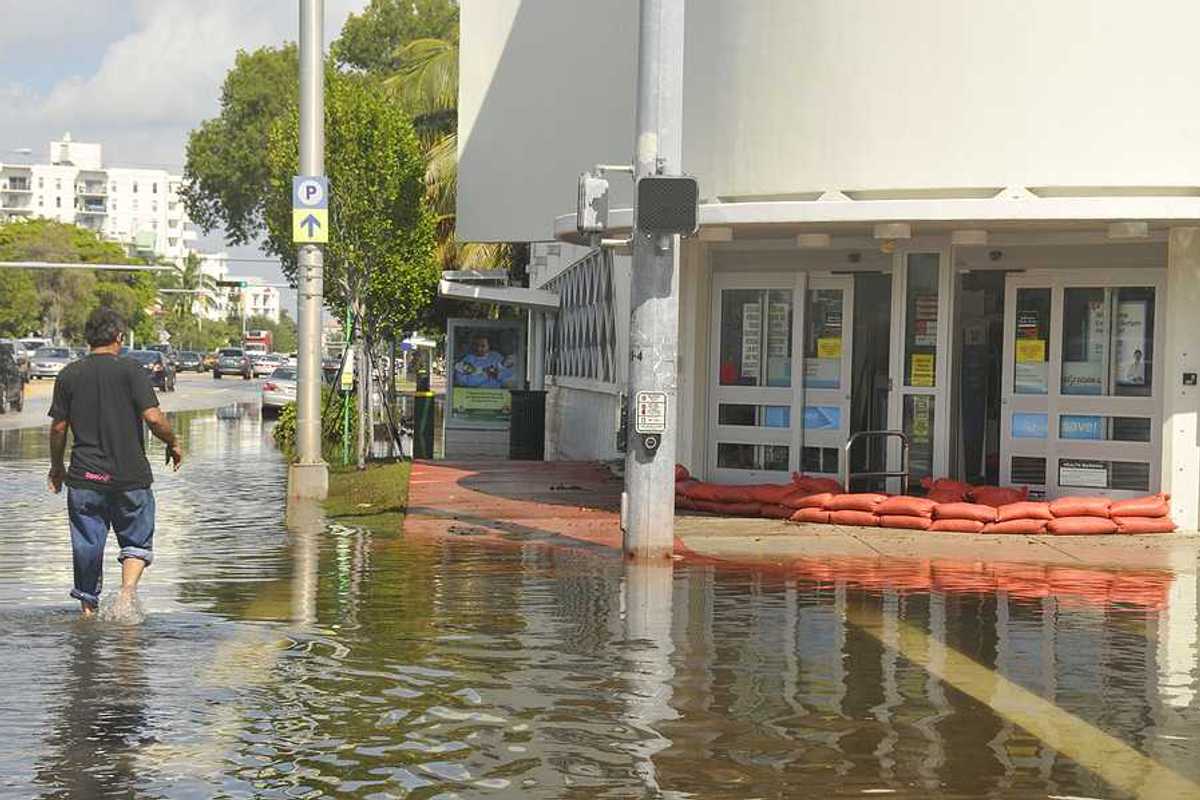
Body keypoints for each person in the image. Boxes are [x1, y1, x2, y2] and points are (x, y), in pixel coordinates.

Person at [47, 307, 183, 616]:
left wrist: (57, 467)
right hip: (129, 477)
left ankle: (87, 612)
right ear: (119, 338)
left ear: (88, 338)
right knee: (136, 539)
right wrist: (173, 442)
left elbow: (58, 428)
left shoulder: (69, 374)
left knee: (87, 545)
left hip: (84, 478)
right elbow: (153, 418)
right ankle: (126, 594)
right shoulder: (131, 371)